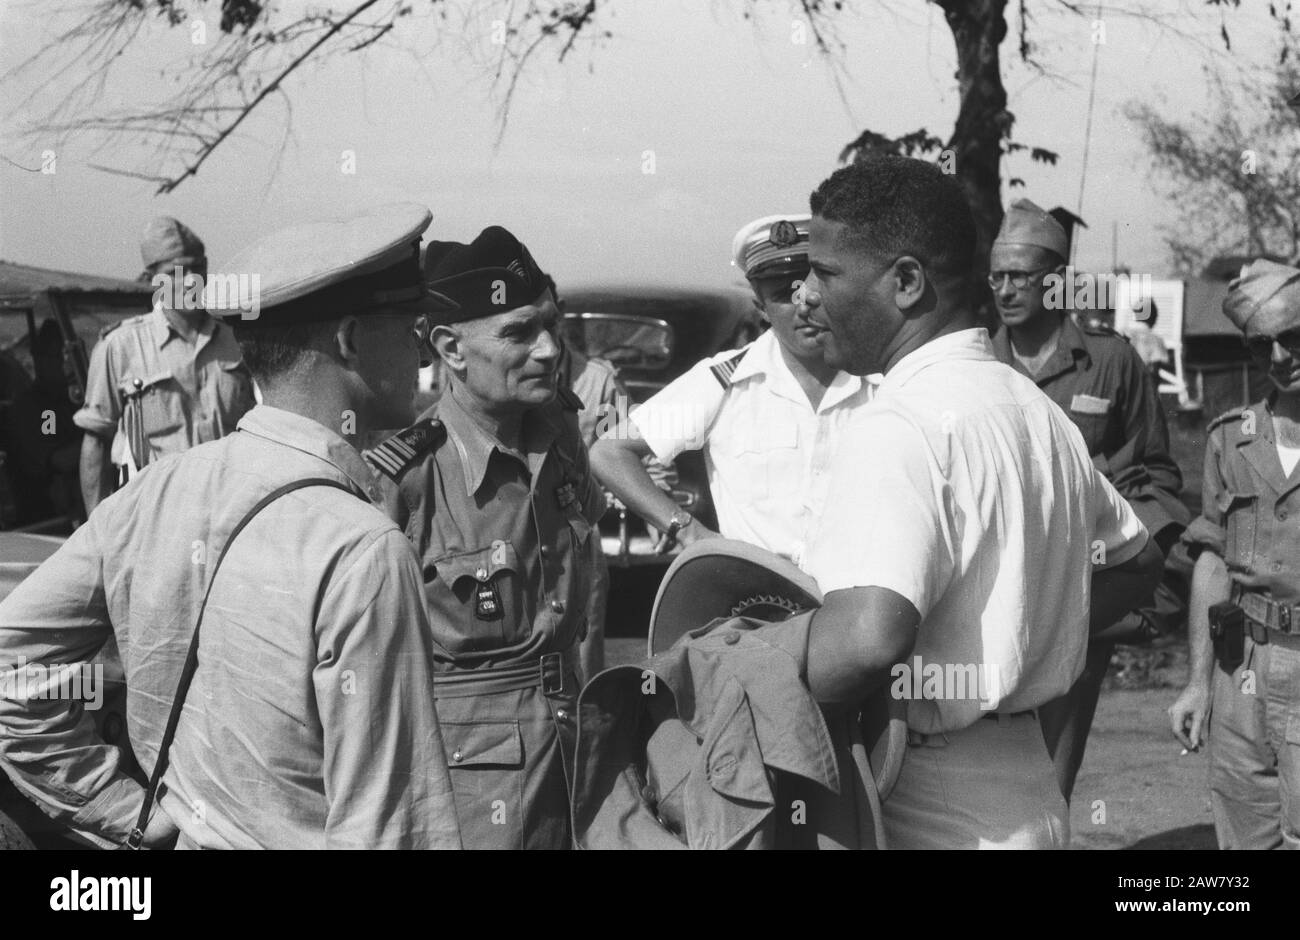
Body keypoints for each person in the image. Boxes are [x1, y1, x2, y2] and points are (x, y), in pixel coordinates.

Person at [0, 203, 462, 850]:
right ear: (351, 339)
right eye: (407, 326)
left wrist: (129, 813)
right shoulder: (362, 550)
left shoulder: (153, 494)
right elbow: (395, 829)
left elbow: (10, 666)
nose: (420, 349)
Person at [796, 156, 1163, 849]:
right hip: (1031, 785)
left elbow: (869, 641)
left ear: (905, 282)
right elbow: (1139, 561)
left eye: (825, 272)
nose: (807, 294)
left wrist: (751, 662)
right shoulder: (1031, 407)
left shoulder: (900, 422)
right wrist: (1024, 635)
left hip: (925, 798)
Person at [366, 225, 605, 850]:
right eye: (519, 332)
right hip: (471, 791)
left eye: (551, 325)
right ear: (450, 348)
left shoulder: (561, 436)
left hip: (577, 759)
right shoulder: (405, 480)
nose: (551, 349)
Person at [987, 198, 1189, 802]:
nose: (1004, 289)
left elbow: (1156, 474)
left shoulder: (1111, 363)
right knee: (976, 770)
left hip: (1080, 595)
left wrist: (1130, 563)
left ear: (1055, 281)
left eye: (1019, 276)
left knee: (1051, 775)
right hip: (991, 591)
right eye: (995, 276)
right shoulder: (977, 363)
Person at [589, 213, 876, 566]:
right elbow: (610, 452)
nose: (804, 304)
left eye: (813, 287)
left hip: (859, 598)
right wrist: (692, 533)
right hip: (759, 602)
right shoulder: (723, 382)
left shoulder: (878, 379)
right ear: (762, 308)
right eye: (785, 295)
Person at [1170, 259, 1300, 850]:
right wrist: (1198, 682)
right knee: (1245, 837)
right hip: (1240, 667)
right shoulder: (1231, 437)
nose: (1278, 358)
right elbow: (1214, 562)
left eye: (1292, 337)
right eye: (1260, 345)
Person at [74, 216, 256, 514]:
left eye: (196, 268)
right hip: (156, 517)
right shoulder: (120, 347)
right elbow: (96, 441)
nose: (189, 281)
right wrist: (99, 534)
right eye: (174, 272)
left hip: (230, 511)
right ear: (152, 279)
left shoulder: (238, 340)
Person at [4, 320, 82, 524]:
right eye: (58, 357)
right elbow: (59, 459)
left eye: (70, 356)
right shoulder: (40, 409)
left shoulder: (72, 398)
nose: (66, 365)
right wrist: (102, 435)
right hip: (48, 515)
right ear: (39, 359)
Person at [1125, 300, 1171, 379]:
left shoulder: (1121, 333)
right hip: (1141, 383)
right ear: (1153, 317)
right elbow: (1155, 368)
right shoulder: (1156, 340)